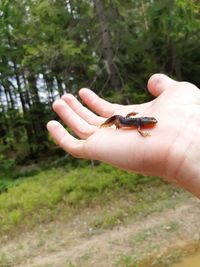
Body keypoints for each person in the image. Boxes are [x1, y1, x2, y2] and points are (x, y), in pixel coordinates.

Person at [47, 73, 200, 198]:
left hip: (126, 119)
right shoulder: (139, 124)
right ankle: (114, 124)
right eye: (151, 122)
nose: (152, 123)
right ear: (145, 123)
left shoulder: (141, 122)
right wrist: (143, 134)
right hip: (122, 121)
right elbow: (139, 130)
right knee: (119, 123)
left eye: (151, 122)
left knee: (123, 120)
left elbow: (143, 125)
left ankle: (117, 122)